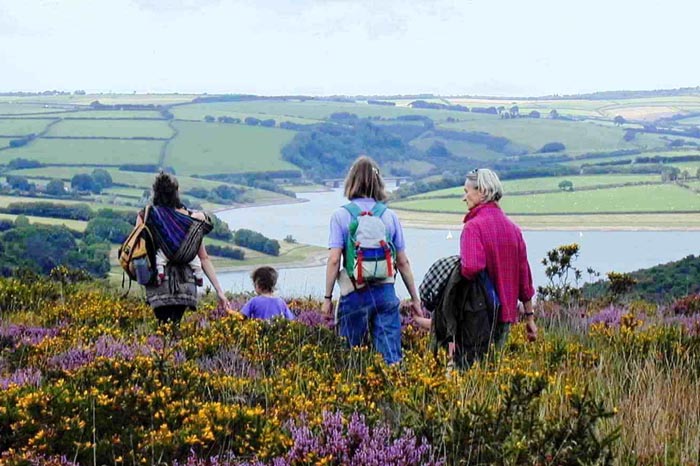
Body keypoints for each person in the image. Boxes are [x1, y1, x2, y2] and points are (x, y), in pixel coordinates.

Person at [322, 155, 421, 365]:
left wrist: (327, 298)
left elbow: (333, 260)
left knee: (350, 358)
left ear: (351, 181)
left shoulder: (340, 216)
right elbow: (402, 262)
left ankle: (354, 394)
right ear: (378, 183)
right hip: (385, 293)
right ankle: (395, 393)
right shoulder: (389, 216)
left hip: (354, 292)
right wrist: (415, 299)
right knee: (391, 359)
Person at [136, 172, 228, 324]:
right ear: (176, 192)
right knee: (175, 324)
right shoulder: (191, 218)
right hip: (186, 285)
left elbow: (138, 250)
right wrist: (219, 291)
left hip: (158, 285)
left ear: (155, 192)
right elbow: (203, 258)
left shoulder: (147, 215)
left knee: (163, 326)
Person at [459, 168, 537, 345]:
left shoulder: (473, 227)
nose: (464, 198)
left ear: (483, 191)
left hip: (477, 315)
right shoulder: (514, 230)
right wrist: (530, 318)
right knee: (496, 365)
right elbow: (524, 280)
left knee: (471, 367)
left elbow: (471, 267)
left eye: (466, 191)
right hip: (505, 316)